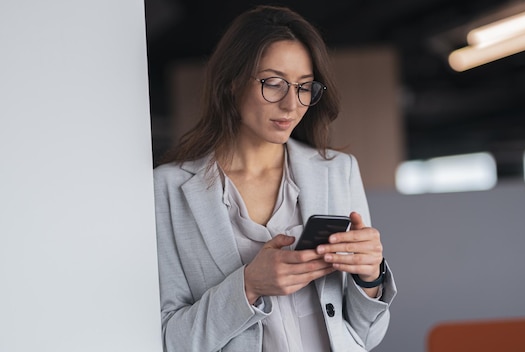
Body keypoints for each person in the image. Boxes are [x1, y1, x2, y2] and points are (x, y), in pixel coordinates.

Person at [154, 5, 396, 351]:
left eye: (303, 87)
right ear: (232, 82)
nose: (291, 105)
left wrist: (370, 277)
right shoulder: (168, 190)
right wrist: (248, 285)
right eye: (274, 83)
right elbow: (169, 340)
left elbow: (367, 336)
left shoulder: (339, 172)